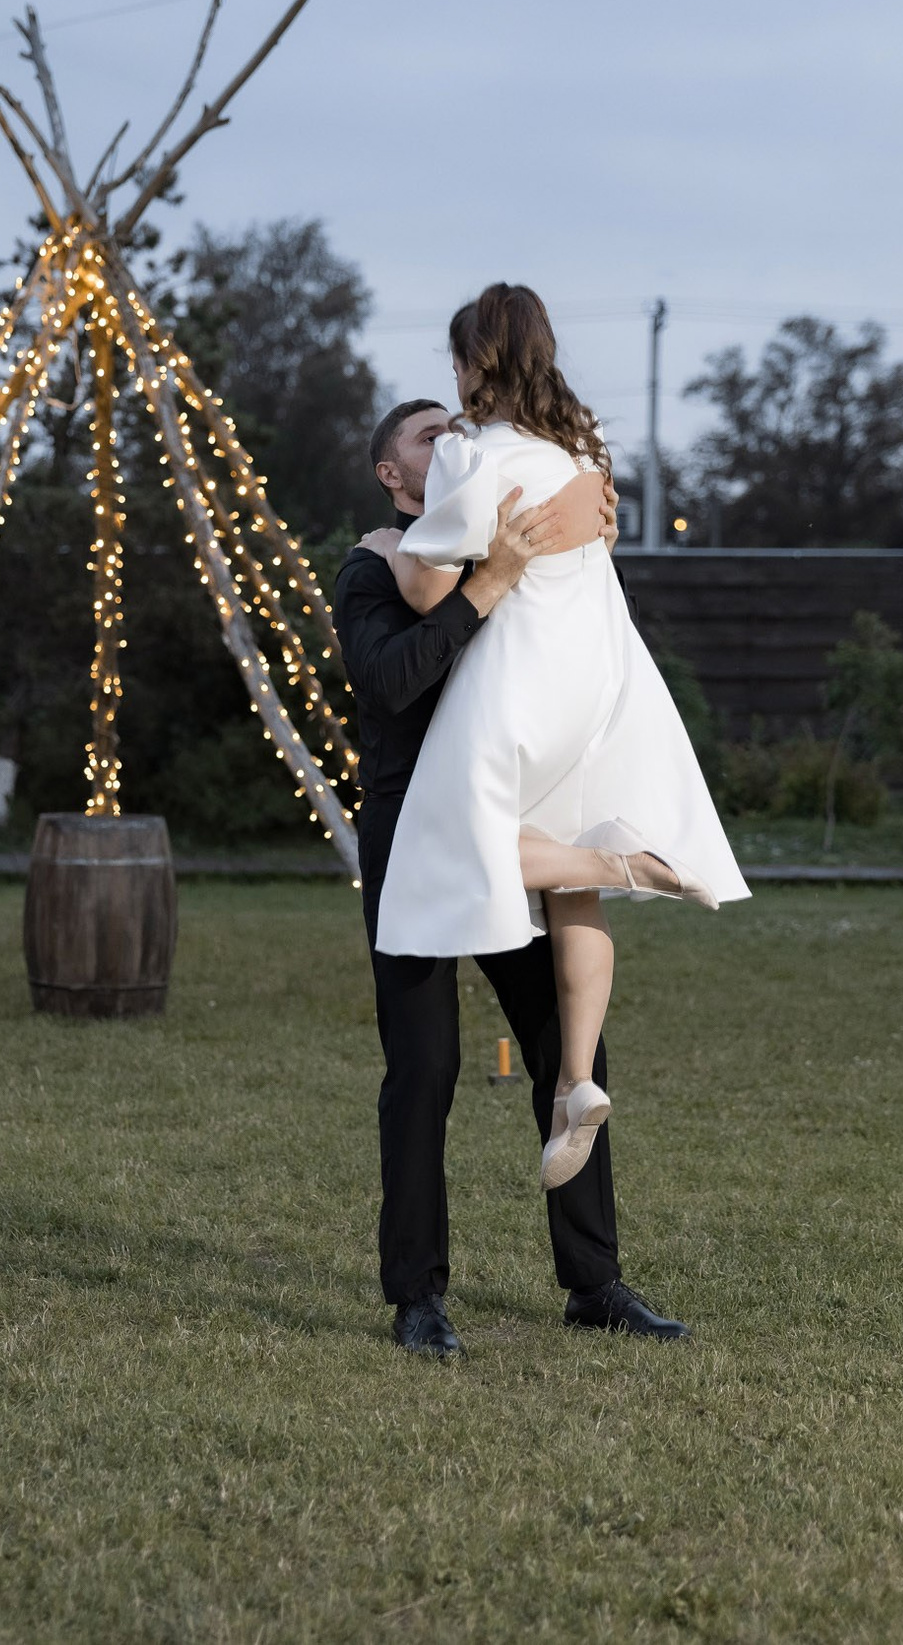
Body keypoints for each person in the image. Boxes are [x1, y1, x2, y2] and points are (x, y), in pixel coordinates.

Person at [336, 395, 691, 1358]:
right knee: (426, 1070)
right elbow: (393, 681)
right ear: (393, 476)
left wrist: (590, 517)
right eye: (425, 435)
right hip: (414, 839)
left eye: (457, 426)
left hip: (508, 834)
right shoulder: (372, 569)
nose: (449, 440)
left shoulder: (505, 546)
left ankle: (596, 1283)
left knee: (570, 1051)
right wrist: (484, 587)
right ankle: (418, 1298)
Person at [372, 284, 748, 1192]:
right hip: (602, 678)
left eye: (456, 363)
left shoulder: (474, 454)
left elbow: (428, 595)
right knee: (569, 874)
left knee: (456, 839)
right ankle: (576, 1080)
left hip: (520, 683)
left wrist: (390, 545)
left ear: (476, 364)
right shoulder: (581, 449)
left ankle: (640, 864)